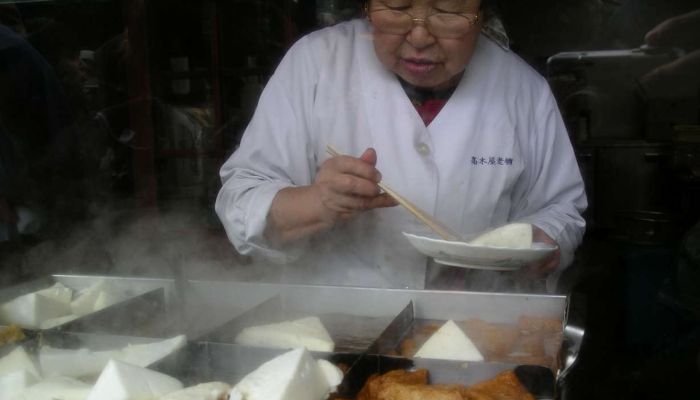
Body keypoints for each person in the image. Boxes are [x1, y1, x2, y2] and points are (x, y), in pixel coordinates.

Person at [215, 0, 587, 289]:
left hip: (475, 330)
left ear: (482, 14)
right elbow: (241, 201)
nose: (420, 37)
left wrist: (541, 244)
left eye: (448, 11)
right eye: (397, 7)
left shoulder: (523, 90)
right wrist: (317, 202)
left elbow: (561, 209)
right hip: (337, 328)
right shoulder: (315, 64)